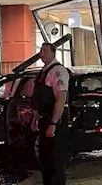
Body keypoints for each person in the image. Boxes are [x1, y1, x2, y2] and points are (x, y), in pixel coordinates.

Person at [31, 43, 71, 185]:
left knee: (55, 163)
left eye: (45, 51)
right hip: (44, 120)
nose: (42, 54)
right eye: (41, 51)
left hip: (55, 122)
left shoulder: (58, 71)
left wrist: (53, 123)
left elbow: (61, 98)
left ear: (53, 53)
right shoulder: (44, 72)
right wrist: (36, 118)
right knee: (45, 161)